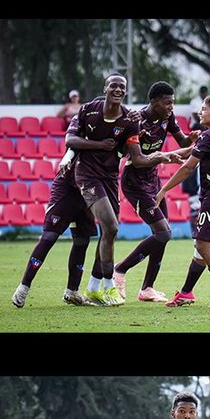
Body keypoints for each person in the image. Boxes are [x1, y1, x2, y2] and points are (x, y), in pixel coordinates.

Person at [114, 81, 199, 304]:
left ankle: (147, 289)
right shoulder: (136, 121)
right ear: (153, 101)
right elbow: (134, 158)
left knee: (163, 235)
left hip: (153, 181)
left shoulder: (167, 118)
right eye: (167, 102)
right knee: (163, 233)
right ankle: (120, 270)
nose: (171, 107)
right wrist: (162, 156)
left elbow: (181, 140)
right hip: (135, 182)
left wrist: (191, 139)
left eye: (172, 102)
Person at [156, 93, 210, 309]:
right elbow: (193, 154)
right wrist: (168, 155)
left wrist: (163, 190)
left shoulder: (209, 135)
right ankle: (186, 293)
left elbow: (188, 168)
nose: (200, 112)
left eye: (204, 109)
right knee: (200, 247)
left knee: (204, 245)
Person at [64, 74, 143, 306]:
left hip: (109, 177)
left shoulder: (130, 119)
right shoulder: (88, 110)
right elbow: (70, 140)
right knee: (110, 226)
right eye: (114, 85)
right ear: (105, 88)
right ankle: (109, 285)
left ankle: (92, 288)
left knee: (109, 232)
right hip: (86, 174)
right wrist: (99, 145)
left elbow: (136, 155)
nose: (118, 89)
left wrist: (163, 157)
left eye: (123, 87)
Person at [10, 147, 99, 309]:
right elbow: (72, 141)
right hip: (67, 188)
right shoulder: (88, 125)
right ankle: (24, 287)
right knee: (49, 237)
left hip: (86, 190)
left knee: (82, 240)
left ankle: (72, 291)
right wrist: (67, 157)